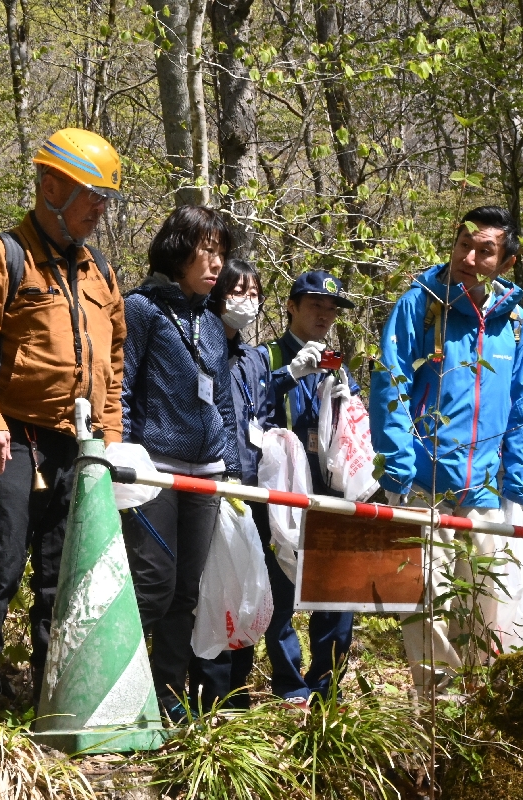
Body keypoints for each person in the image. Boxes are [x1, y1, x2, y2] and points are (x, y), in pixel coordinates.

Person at [0, 129, 126, 716]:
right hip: (8, 436)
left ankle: (57, 689)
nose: (101, 209)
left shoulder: (100, 275)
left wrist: (112, 445)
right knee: (1, 556)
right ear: (51, 187)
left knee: (64, 572)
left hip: (78, 443)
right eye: (92, 195)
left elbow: (114, 364)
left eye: (106, 198)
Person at [369, 205, 523, 692]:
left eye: (484, 250)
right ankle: (439, 715)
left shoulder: (516, 324)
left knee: (491, 611)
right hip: (426, 490)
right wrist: (398, 474)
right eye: (462, 244)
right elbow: (392, 387)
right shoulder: (420, 305)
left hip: (486, 496)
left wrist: (517, 488)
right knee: (428, 608)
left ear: (505, 263)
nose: (468, 256)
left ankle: (483, 714)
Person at [120, 206, 241, 722]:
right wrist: (119, 452)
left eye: (221, 253)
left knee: (187, 592)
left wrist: (231, 464)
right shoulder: (140, 309)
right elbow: (120, 385)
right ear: (178, 249)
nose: (216, 263)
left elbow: (225, 405)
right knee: (153, 583)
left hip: (207, 474)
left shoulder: (212, 323)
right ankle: (117, 692)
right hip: (152, 470)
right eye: (205, 250)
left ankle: (167, 698)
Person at [260, 270, 359, 705]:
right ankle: (288, 683)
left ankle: (325, 684)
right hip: (281, 486)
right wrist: (289, 375)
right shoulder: (265, 356)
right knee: (280, 589)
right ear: (292, 306)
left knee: (336, 590)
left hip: (330, 489)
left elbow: (354, 428)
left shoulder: (338, 363)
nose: (324, 314)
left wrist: (345, 395)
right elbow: (249, 404)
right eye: (315, 304)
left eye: (331, 308)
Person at [189, 258, 274, 710]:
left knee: (246, 583)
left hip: (251, 490)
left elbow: (263, 418)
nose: (247, 301)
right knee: (210, 591)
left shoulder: (254, 358)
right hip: (209, 485)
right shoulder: (200, 347)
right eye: (238, 291)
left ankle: (238, 697)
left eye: (255, 293)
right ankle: (207, 698)